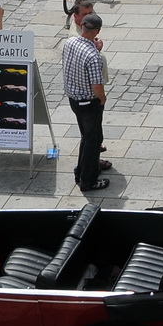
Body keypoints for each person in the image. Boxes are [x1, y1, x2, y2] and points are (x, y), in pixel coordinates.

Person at [61, 14, 110, 192]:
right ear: (97, 30)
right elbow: (96, 85)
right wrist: (102, 99)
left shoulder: (70, 43)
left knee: (86, 137)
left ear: (82, 26)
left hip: (74, 100)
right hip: (89, 103)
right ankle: (88, 181)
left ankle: (80, 172)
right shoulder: (93, 56)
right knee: (93, 141)